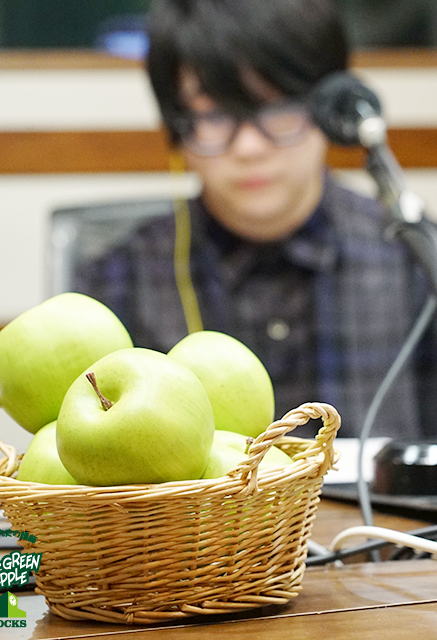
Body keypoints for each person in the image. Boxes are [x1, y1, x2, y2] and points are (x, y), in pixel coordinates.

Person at [75, 0, 437, 439]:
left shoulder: (416, 263)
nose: (249, 147)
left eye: (277, 107)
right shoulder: (117, 282)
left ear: (329, 107)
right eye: (214, 114)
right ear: (176, 125)